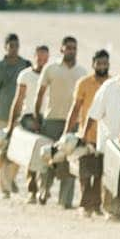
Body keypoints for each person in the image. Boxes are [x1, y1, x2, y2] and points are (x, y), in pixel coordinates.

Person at [85, 58, 120, 220]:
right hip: (110, 141)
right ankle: (110, 209)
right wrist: (85, 134)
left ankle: (119, 208)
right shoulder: (108, 87)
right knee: (110, 176)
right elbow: (94, 112)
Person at [34, 36, 86, 207]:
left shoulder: (82, 72)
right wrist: (37, 116)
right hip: (52, 119)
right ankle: (43, 191)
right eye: (68, 47)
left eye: (74, 48)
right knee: (49, 157)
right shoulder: (51, 68)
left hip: (73, 123)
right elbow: (40, 94)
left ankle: (65, 200)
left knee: (69, 160)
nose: (71, 50)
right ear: (61, 49)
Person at [64, 49, 111, 217]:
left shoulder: (112, 84)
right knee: (84, 172)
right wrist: (67, 132)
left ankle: (96, 205)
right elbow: (75, 108)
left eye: (105, 63)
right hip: (86, 134)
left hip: (105, 137)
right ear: (93, 64)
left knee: (99, 173)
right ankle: (85, 205)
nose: (102, 66)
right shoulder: (83, 83)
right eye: (99, 63)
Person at [0, 33, 31, 198]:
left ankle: (10, 178)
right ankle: (5, 186)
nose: (13, 48)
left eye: (16, 46)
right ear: (5, 47)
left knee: (18, 151)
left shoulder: (25, 65)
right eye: (11, 45)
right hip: (3, 114)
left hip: (20, 115)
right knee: (3, 151)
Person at [8, 45, 50, 203]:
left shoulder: (51, 74)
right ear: (34, 57)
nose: (42, 62)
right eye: (39, 59)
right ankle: (32, 189)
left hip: (47, 117)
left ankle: (44, 188)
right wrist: (12, 124)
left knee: (47, 154)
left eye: (45, 59)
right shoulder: (25, 75)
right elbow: (18, 100)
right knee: (31, 154)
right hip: (29, 117)